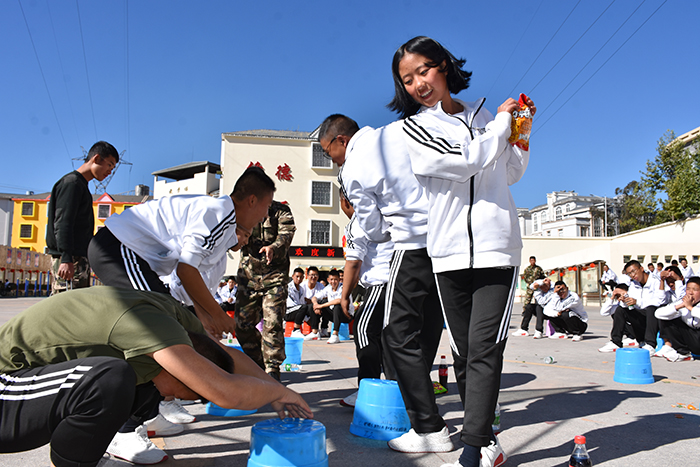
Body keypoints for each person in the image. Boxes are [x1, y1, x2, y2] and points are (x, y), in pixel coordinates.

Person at [388, 36, 535, 467]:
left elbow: (510, 172)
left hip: (497, 248)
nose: (418, 84)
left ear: (444, 66)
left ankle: (472, 451)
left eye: (424, 70)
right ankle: (486, 441)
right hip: (449, 253)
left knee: (485, 347)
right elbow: (465, 160)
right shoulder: (416, 129)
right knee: (465, 352)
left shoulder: (485, 116)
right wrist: (501, 127)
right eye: (407, 79)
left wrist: (521, 131)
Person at [0, 286, 312, 467]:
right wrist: (279, 394)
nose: (171, 398)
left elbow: (226, 356)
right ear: (183, 366)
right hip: (6, 389)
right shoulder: (150, 327)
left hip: (31, 383)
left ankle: (91, 452)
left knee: (143, 388)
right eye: (181, 392)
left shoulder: (179, 322)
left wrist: (275, 387)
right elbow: (226, 392)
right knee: (110, 379)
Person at [318, 112, 448, 454]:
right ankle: (468, 424)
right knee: (432, 332)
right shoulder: (397, 134)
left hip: (407, 251)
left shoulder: (353, 169)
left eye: (328, 151)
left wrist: (382, 224)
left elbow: (372, 232)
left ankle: (405, 407)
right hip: (446, 241)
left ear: (341, 141)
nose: (331, 159)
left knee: (392, 336)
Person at [88, 166, 275, 337]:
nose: (266, 215)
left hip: (129, 253)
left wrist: (204, 318)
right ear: (252, 200)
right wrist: (218, 314)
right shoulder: (219, 214)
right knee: (164, 318)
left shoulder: (222, 218)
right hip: (119, 247)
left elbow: (189, 275)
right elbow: (185, 270)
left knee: (172, 321)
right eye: (267, 206)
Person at [339, 194, 394, 407]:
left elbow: (353, 262)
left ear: (345, 202)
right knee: (390, 338)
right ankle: (396, 389)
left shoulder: (359, 219)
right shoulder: (387, 211)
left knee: (363, 330)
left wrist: (345, 296)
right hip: (401, 281)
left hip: (381, 283)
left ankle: (368, 390)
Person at [46, 141, 119, 294]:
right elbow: (63, 223)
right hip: (70, 259)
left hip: (77, 258)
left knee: (75, 303)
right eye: (109, 165)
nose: (110, 172)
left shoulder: (81, 185)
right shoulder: (72, 184)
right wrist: (66, 258)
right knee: (66, 303)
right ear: (96, 158)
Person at [235, 200, 296, 381]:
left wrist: (273, 247)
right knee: (241, 325)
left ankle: (272, 369)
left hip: (274, 276)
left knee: (273, 322)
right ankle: (258, 364)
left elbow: (286, 234)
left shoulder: (281, 210)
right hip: (248, 276)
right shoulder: (242, 209)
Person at [597, 260, 666, 354]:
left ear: (641, 269)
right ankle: (616, 342)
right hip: (641, 317)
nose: (633, 275)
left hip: (654, 318)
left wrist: (637, 302)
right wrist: (625, 300)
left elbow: (660, 301)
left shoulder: (656, 281)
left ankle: (650, 344)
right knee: (620, 310)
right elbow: (631, 302)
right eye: (629, 273)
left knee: (651, 308)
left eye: (634, 271)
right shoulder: (633, 284)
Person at [655, 276, 700, 362]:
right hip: (691, 337)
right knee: (668, 315)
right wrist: (680, 306)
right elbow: (658, 314)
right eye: (688, 289)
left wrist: (690, 308)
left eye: (695, 290)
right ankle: (683, 352)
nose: (690, 292)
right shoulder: (683, 301)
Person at [310, 269, 345, 344]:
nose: (333, 282)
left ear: (339, 280)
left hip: (345, 315)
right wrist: (316, 304)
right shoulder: (328, 288)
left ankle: (335, 335)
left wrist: (321, 306)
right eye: (331, 279)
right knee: (314, 305)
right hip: (333, 315)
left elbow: (339, 300)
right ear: (328, 280)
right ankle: (315, 332)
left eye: (335, 279)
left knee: (337, 306)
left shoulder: (343, 288)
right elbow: (315, 297)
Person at [513, 256, 545, 336]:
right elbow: (525, 277)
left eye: (533, 260)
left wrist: (539, 283)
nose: (532, 262)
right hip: (530, 286)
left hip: (538, 286)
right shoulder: (527, 269)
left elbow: (542, 276)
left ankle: (538, 326)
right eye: (531, 260)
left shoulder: (538, 269)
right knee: (528, 300)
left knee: (538, 302)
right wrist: (530, 283)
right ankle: (525, 311)